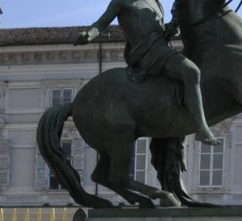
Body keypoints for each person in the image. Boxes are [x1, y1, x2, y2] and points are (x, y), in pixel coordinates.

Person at [77, 0, 220, 144]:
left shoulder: (155, 3)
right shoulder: (122, 1)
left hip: (161, 49)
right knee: (191, 72)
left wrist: (171, 28)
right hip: (147, 53)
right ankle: (201, 127)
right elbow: (101, 23)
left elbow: (160, 32)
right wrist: (88, 34)